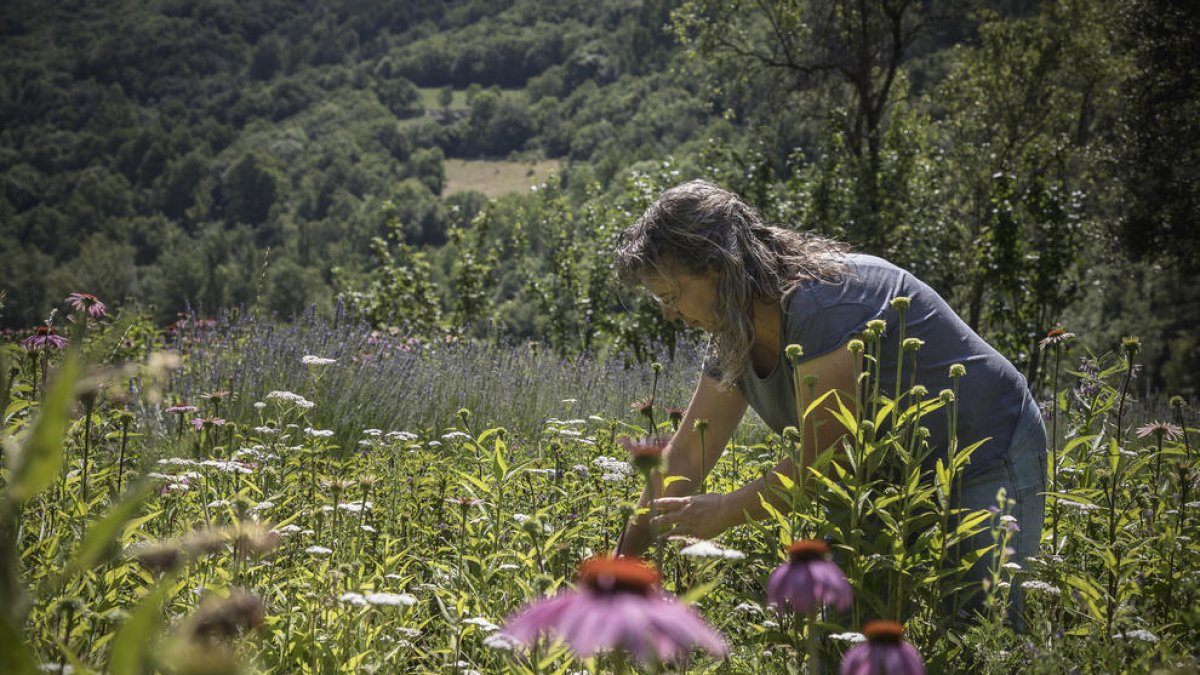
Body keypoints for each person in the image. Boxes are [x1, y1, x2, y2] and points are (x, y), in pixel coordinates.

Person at [612, 179, 1046, 627]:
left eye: (670, 296)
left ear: (717, 267)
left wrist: (725, 510)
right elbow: (686, 456)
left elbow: (829, 458)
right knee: (849, 626)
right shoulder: (733, 335)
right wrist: (618, 574)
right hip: (886, 474)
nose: (669, 314)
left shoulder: (818, 305)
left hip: (984, 448)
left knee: (982, 627)